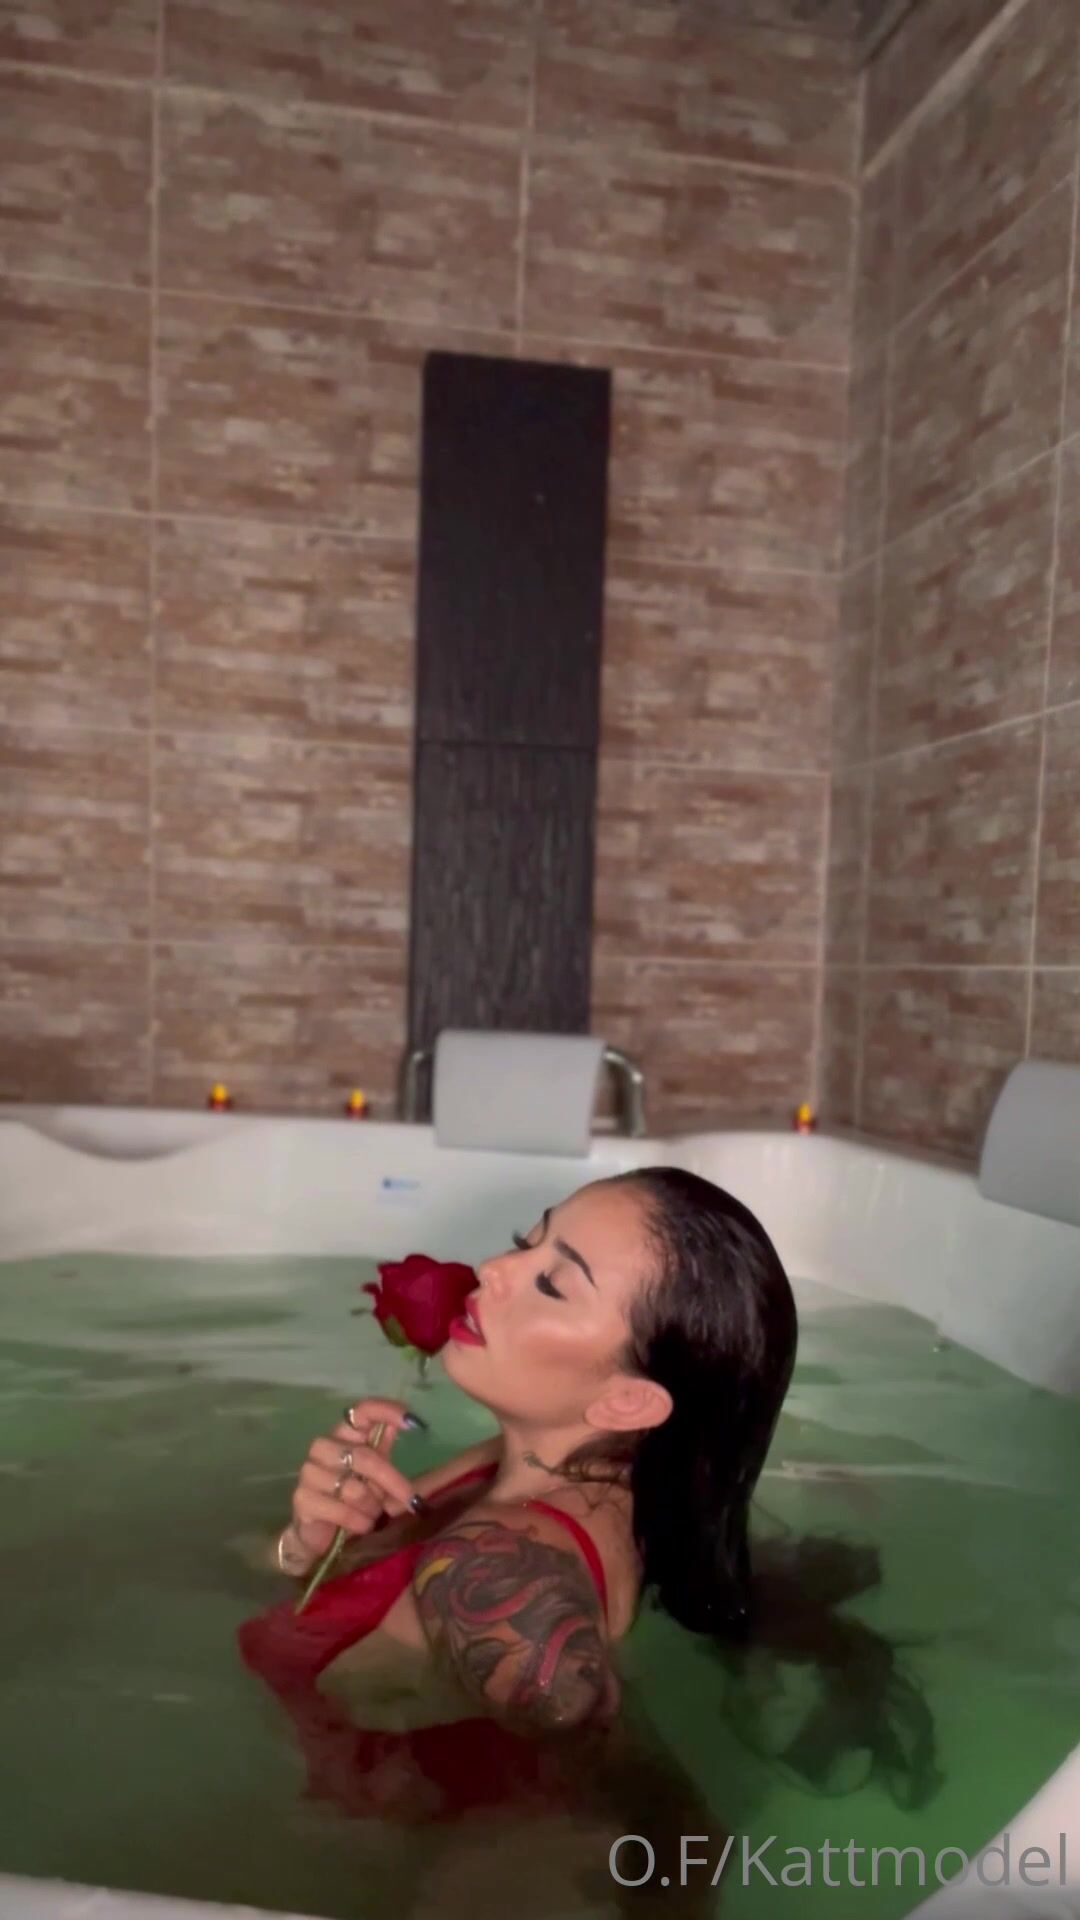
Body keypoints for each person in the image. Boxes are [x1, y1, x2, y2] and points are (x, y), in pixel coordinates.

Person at [236, 1165, 800, 1838]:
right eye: (524, 1242)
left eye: (552, 1284)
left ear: (627, 1401)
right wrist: (305, 1541)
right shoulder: (547, 1475)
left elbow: (648, 1815)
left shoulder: (498, 1567)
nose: (494, 1269)